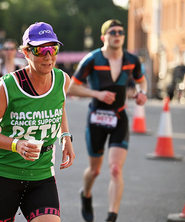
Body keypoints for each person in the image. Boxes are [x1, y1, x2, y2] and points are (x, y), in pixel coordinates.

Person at [0, 22, 75, 222]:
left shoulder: (63, 80)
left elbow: (58, 106)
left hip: (41, 174)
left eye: (52, 48)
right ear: (26, 53)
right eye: (40, 49)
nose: (48, 56)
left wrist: (65, 136)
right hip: (1, 174)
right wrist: (15, 144)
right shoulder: (8, 86)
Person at [67, 19, 147, 222]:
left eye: (120, 32)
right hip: (96, 118)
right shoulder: (92, 59)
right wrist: (97, 94)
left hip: (120, 117)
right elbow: (72, 87)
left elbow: (140, 80)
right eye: (113, 32)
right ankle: (86, 195)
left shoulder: (131, 59)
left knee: (115, 168)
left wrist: (141, 92)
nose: (118, 35)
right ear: (104, 37)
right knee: (94, 170)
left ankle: (112, 216)